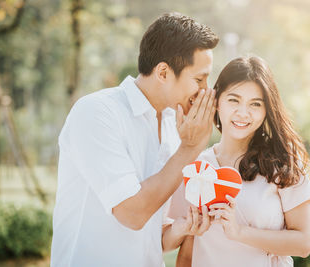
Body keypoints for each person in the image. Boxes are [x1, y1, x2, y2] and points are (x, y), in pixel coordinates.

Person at [50, 13, 219, 267]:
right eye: (198, 79)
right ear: (163, 72)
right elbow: (132, 213)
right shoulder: (97, 113)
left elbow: (153, 236)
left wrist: (183, 229)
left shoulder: (175, 128)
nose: (206, 90)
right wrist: (189, 149)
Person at [165, 56, 310, 267]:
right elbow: (180, 246)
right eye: (234, 100)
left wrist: (239, 232)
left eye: (255, 104)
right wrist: (185, 227)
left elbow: (303, 243)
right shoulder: (197, 167)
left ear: (266, 110)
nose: (243, 113)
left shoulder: (282, 164)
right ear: (217, 101)